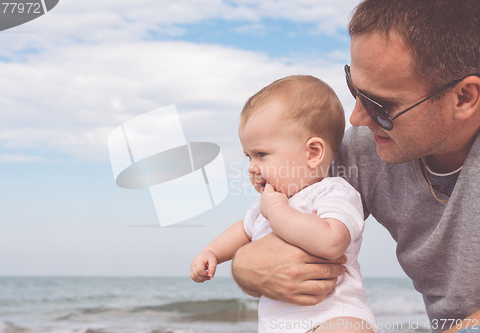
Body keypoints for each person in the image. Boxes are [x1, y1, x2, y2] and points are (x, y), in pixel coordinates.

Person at [230, 1, 480, 332]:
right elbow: (281, 221)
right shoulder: (367, 148)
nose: (357, 118)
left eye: (381, 105)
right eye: (354, 89)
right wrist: (243, 266)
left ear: (464, 98)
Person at [190, 75, 377, 332]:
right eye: (249, 157)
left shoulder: (333, 191)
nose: (252, 168)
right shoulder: (265, 204)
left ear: (313, 153)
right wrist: (211, 252)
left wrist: (277, 212)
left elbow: (332, 242)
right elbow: (242, 231)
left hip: (334, 316)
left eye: (262, 155)